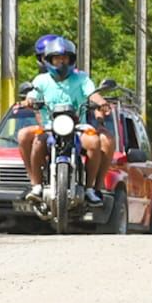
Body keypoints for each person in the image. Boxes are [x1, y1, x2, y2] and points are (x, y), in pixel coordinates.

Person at [17, 36, 113, 206]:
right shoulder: (41, 81)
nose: (61, 62)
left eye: (65, 58)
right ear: (48, 60)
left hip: (78, 127)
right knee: (31, 138)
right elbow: (32, 96)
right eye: (57, 58)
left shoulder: (81, 78)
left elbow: (93, 94)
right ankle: (36, 185)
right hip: (49, 127)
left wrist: (101, 103)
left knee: (94, 141)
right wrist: (27, 102)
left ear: (71, 60)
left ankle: (90, 188)